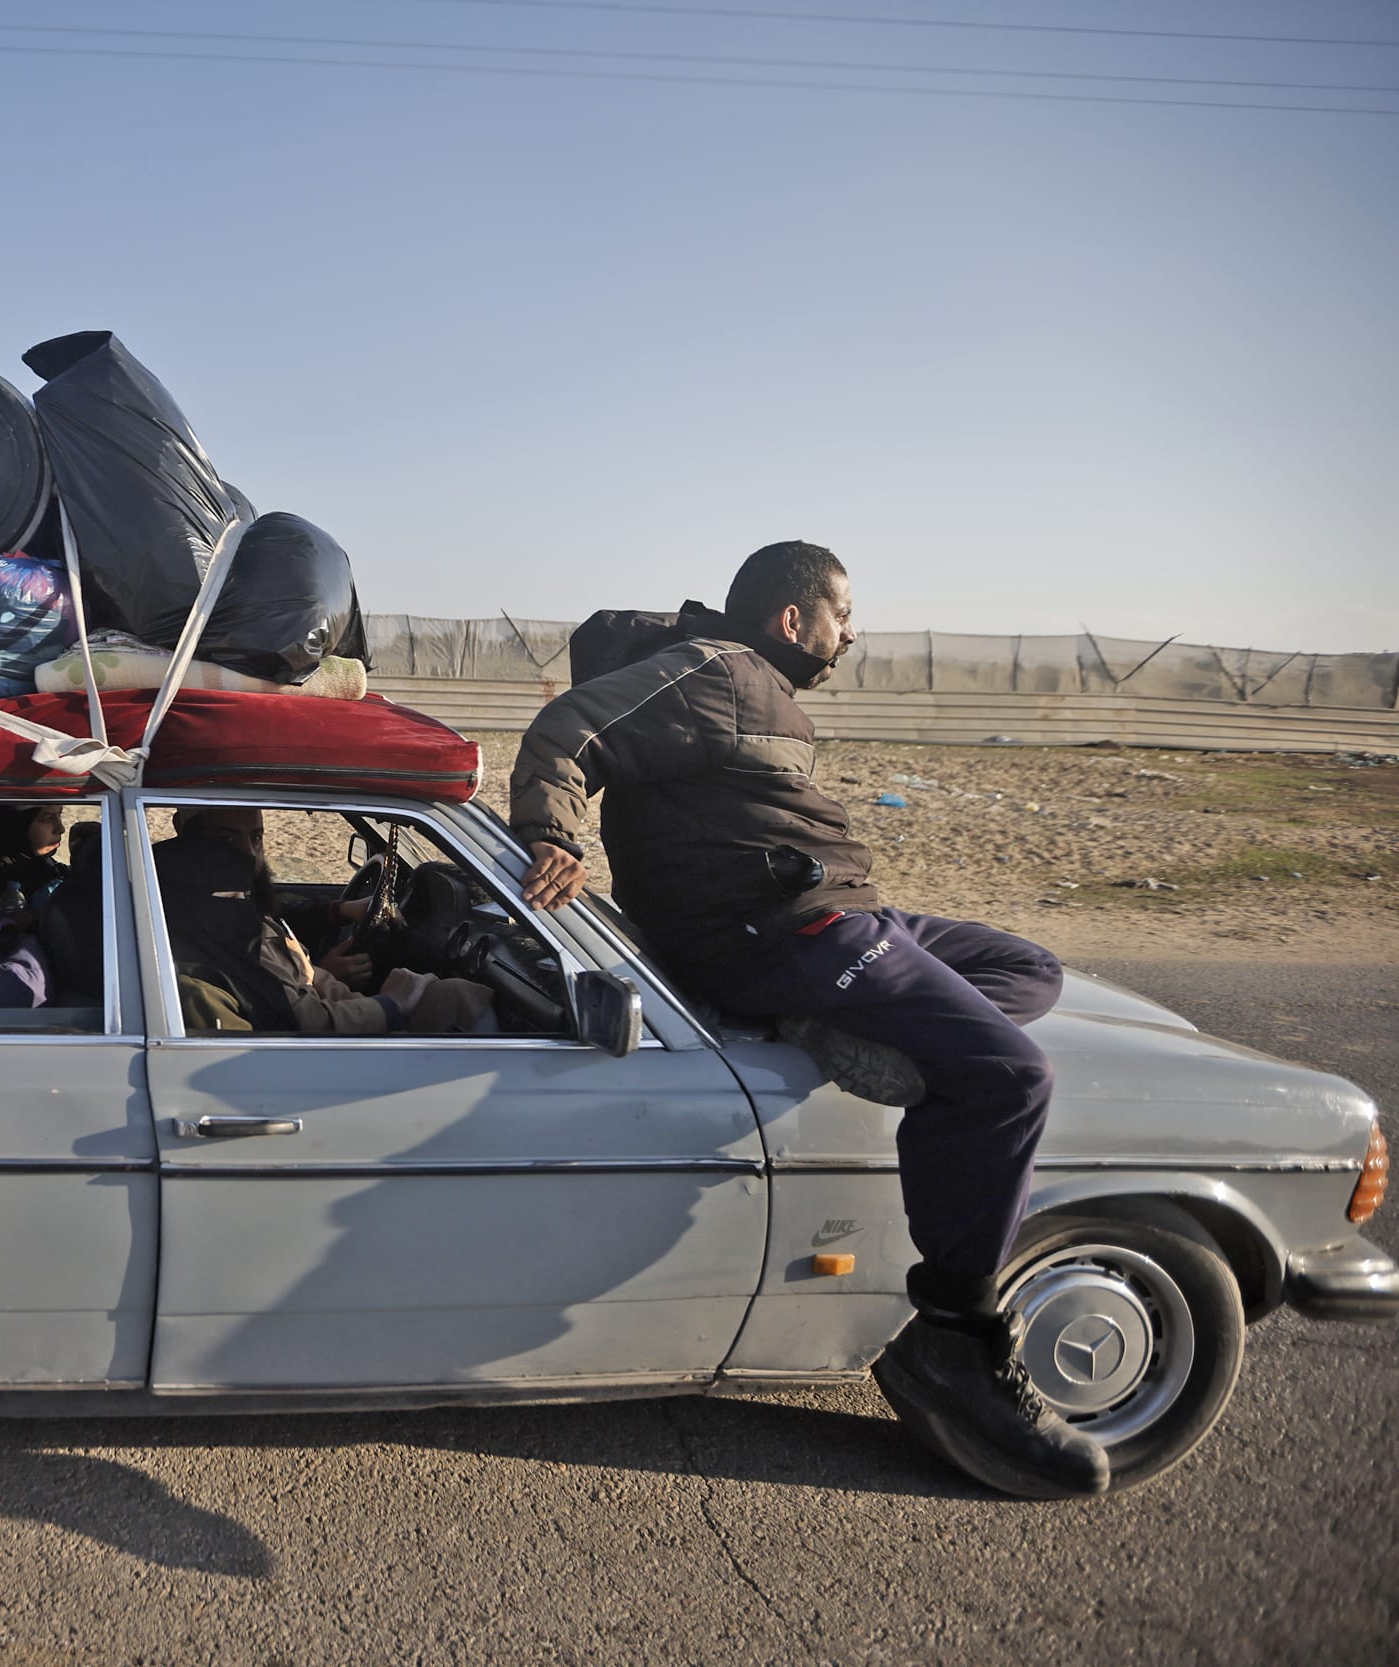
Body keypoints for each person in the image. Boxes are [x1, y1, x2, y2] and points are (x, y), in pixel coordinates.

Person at [509, 540, 1106, 1499]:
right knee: (1013, 1079)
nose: (852, 633)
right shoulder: (715, 669)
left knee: (1026, 966)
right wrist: (551, 834)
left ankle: (839, 1025)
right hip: (792, 931)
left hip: (838, 918)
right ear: (795, 619)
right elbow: (569, 733)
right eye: (844, 614)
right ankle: (956, 1335)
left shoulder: (747, 685)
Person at [158, 806, 493, 1035]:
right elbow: (298, 1015)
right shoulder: (207, 920)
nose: (248, 853)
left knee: (454, 994)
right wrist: (391, 1005)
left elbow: (283, 922)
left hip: (331, 1014)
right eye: (226, 839)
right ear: (189, 842)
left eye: (256, 838)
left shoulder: (239, 900)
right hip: (316, 1046)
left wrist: (338, 915)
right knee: (460, 999)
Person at [0, 804, 69, 906]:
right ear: (18, 826)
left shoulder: (47, 867)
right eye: (47, 818)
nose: (60, 828)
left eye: (60, 815)